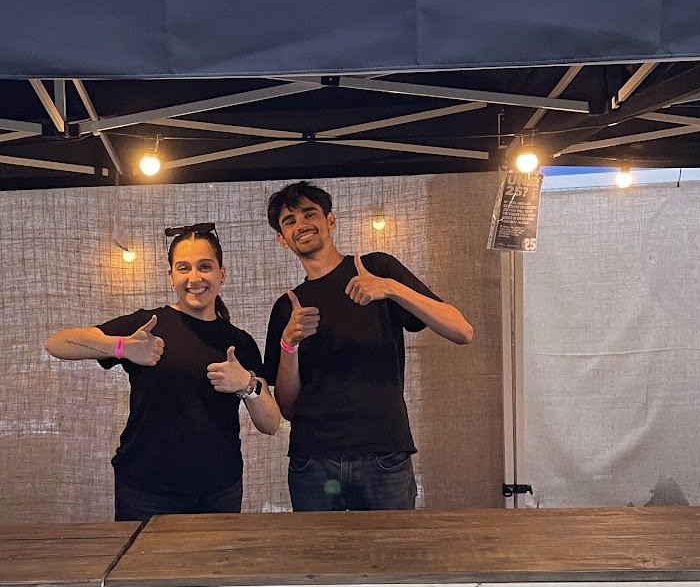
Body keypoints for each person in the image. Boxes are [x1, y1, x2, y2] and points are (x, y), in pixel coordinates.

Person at [45, 223, 280, 521]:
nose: (194, 278)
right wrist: (122, 347)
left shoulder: (240, 342)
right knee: (143, 569)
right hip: (146, 493)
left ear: (222, 273)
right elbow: (56, 343)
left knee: (214, 570)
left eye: (204, 266)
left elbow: (271, 423)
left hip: (220, 491)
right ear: (171, 276)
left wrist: (247, 384)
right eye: (183, 268)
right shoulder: (147, 327)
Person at [263, 182, 473, 511]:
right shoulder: (287, 307)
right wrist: (288, 344)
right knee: (319, 560)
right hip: (313, 462)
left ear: (330, 220)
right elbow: (288, 407)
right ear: (281, 238)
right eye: (289, 221)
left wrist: (391, 288)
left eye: (309, 214)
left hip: (383, 457)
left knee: (392, 559)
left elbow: (462, 330)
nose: (300, 224)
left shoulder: (377, 270)